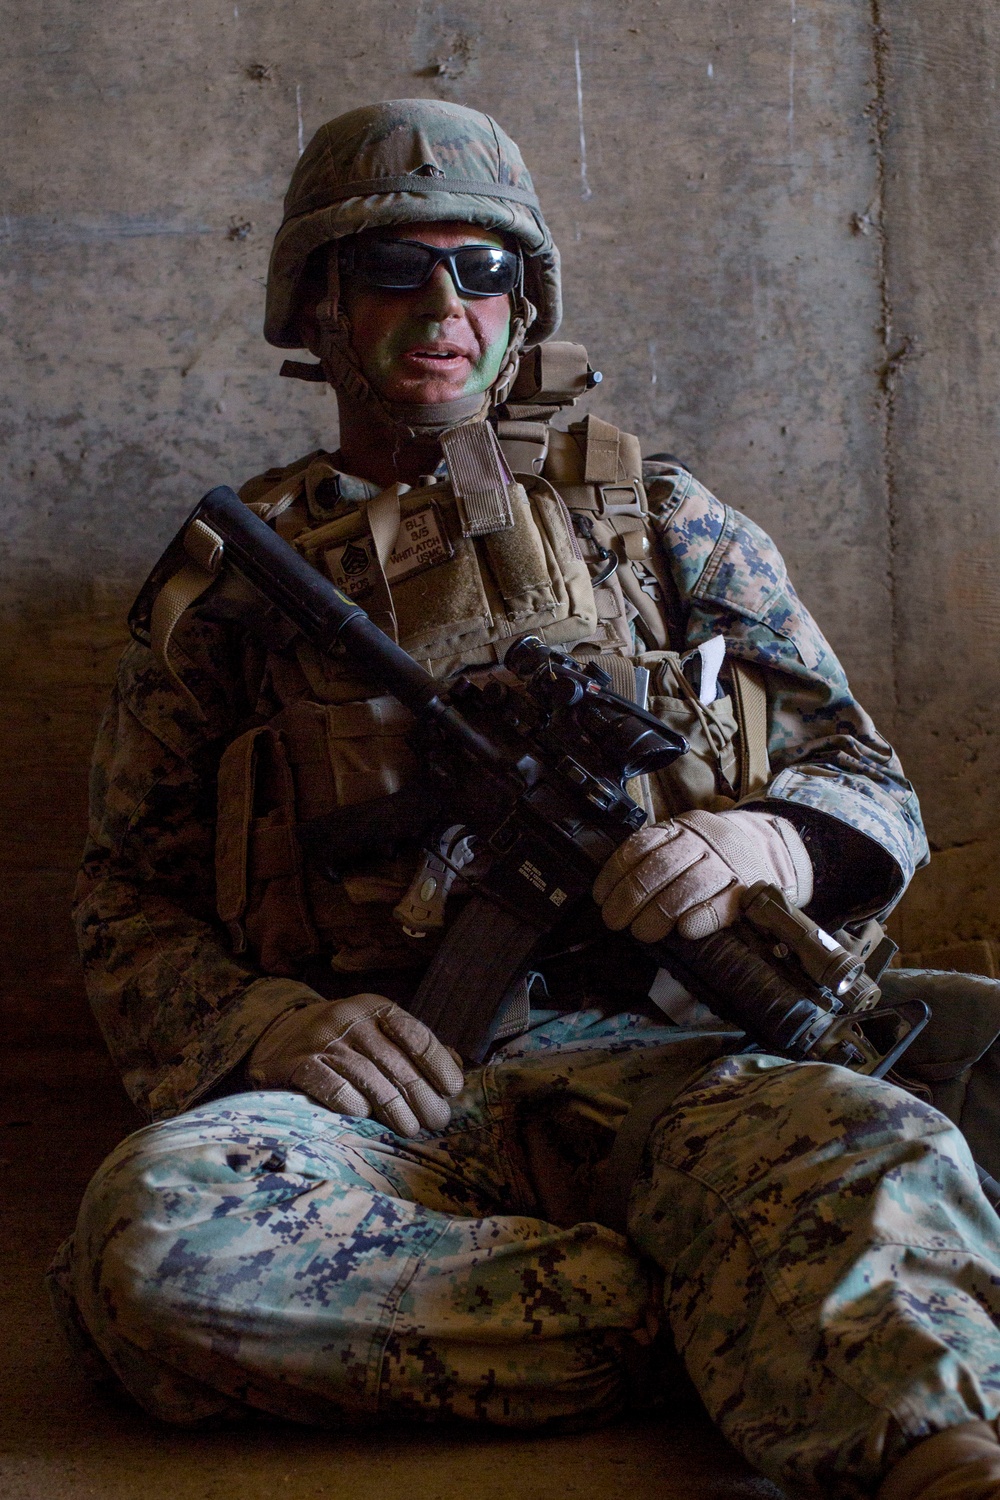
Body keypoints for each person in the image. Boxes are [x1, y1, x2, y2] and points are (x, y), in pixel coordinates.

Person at [49, 99, 1000, 1500]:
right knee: (153, 1246)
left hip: (692, 1066)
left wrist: (762, 839)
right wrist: (272, 1024)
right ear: (315, 305)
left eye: (480, 271)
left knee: (878, 1145)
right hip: (392, 1116)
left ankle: (923, 1438)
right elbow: (125, 900)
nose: (445, 305)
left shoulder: (662, 519)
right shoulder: (233, 584)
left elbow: (867, 780)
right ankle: (731, 1304)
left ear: (522, 300)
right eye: (393, 271)